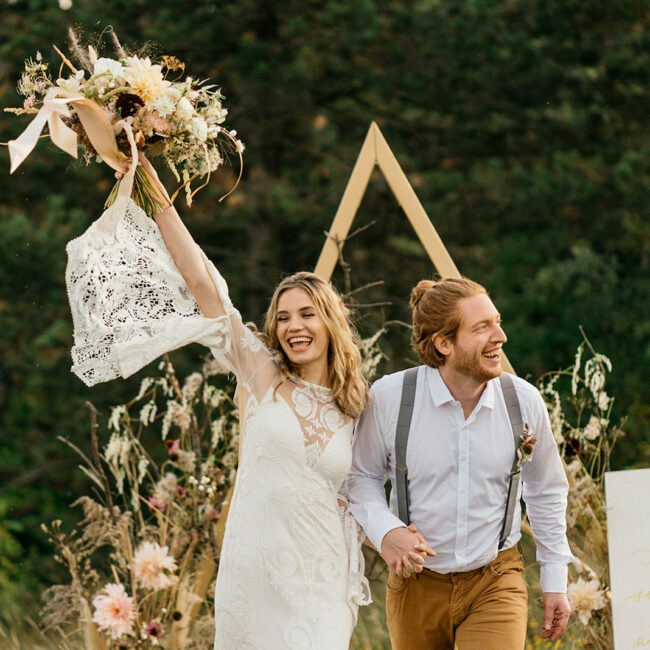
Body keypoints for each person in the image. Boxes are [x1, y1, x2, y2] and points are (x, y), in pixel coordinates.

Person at [67, 153, 432, 649]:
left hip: (322, 576)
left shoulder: (358, 404)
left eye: (307, 314)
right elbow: (202, 282)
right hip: (256, 572)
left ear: (330, 321)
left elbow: (360, 493)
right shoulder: (262, 375)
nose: (294, 327)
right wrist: (154, 189)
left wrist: (394, 540)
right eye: (283, 318)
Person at [347, 277, 573, 650]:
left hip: (495, 579)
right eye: (482, 327)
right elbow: (361, 478)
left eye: (497, 321)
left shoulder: (523, 401)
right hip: (415, 586)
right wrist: (388, 532)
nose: (500, 336)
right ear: (444, 343)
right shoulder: (390, 399)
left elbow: (546, 490)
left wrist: (554, 580)